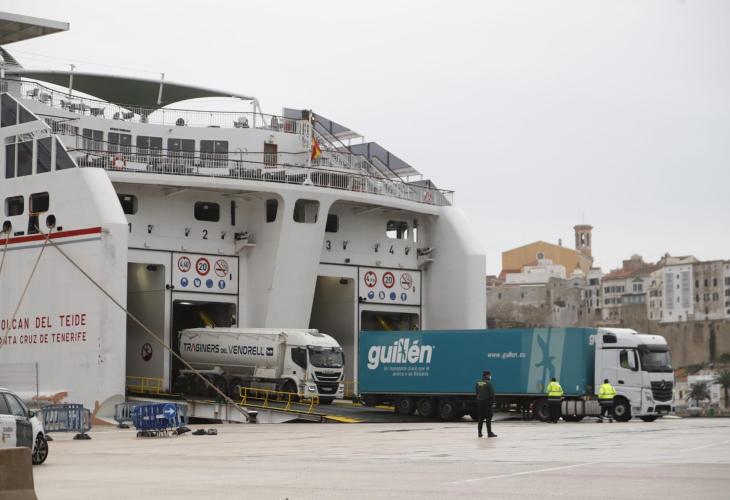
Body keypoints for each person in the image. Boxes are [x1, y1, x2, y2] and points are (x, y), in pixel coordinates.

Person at [475, 371, 497, 438]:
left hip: (480, 402)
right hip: (487, 402)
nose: (490, 376)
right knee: (488, 418)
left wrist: (479, 399)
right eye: (489, 375)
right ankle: (489, 433)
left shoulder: (478, 383)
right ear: (486, 375)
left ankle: (479, 433)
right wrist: (493, 402)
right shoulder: (488, 383)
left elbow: (477, 392)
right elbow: (492, 394)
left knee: (481, 418)